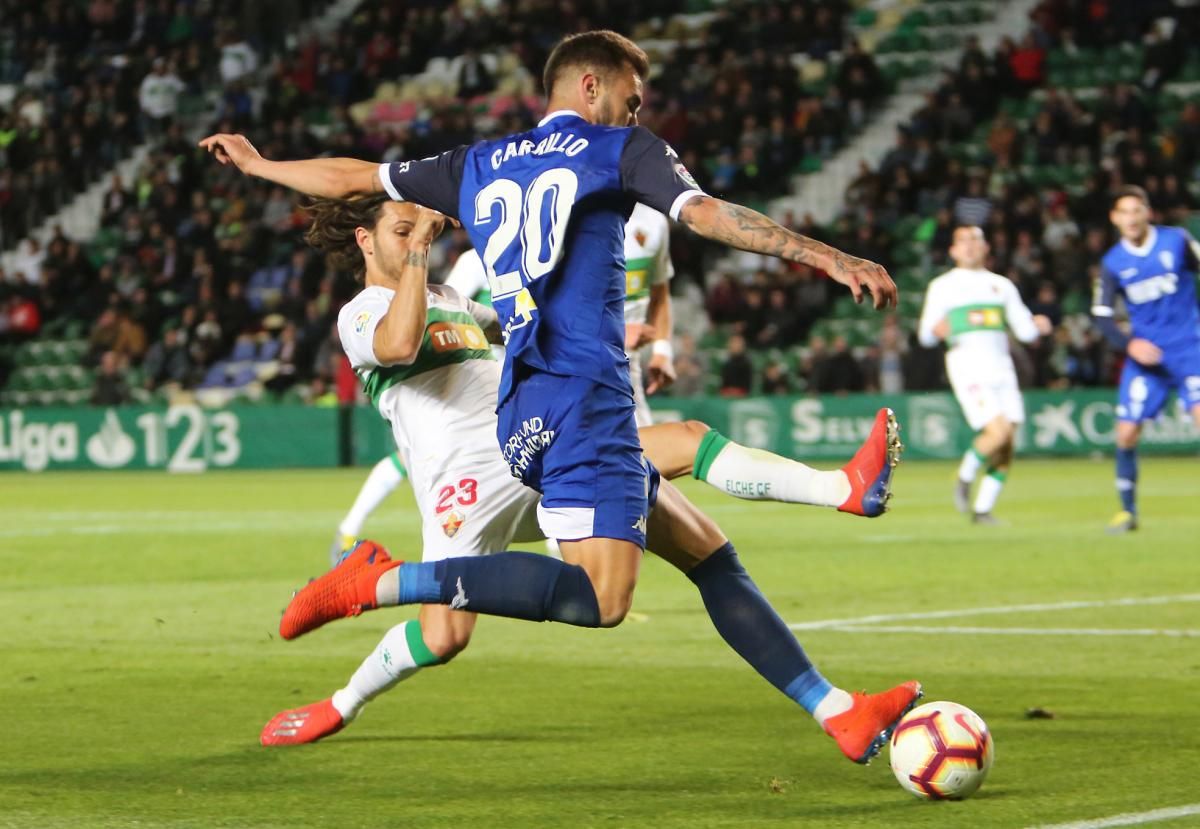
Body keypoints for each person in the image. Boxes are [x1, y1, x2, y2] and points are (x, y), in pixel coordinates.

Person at [201, 30, 916, 764]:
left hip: (526, 408)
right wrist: (826, 255)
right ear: (590, 87)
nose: (636, 116)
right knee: (604, 600)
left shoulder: (473, 164)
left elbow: (353, 175)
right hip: (580, 399)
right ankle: (386, 581)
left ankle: (840, 711)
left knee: (709, 552)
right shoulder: (617, 152)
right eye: (630, 100)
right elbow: (704, 215)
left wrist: (261, 166)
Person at [263, 195, 905, 750]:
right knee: (445, 636)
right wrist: (414, 257)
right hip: (465, 486)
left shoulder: (452, 299)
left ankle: (838, 707)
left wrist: (613, 331)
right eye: (399, 231)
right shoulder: (361, 314)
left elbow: (518, 331)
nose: (414, 239)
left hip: (532, 447)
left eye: (417, 228)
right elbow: (401, 345)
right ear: (364, 239)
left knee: (707, 538)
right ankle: (350, 676)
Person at [918, 226, 1051, 523]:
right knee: (998, 431)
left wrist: (1038, 325)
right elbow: (925, 335)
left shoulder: (1001, 286)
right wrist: (936, 331)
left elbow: (1025, 331)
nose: (969, 247)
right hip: (968, 366)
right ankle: (965, 475)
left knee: (1008, 442)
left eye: (975, 241)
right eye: (962, 242)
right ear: (952, 250)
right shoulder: (943, 286)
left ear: (986, 247)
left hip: (1001, 367)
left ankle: (982, 510)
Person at [1091, 185, 1200, 534]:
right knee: (1125, 434)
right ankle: (1127, 512)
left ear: (1148, 212)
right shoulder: (1112, 263)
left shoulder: (1176, 241)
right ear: (1115, 218)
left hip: (1190, 349)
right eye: (1124, 212)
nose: (1132, 218)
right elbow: (1102, 316)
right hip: (1147, 358)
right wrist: (1129, 345)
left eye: (1137, 210)